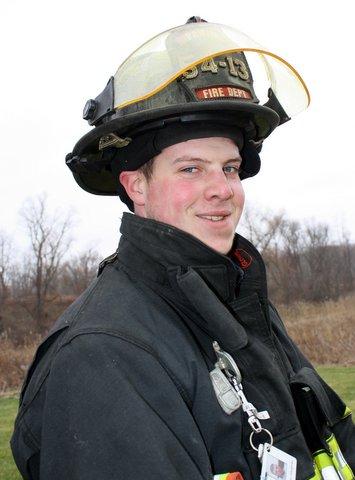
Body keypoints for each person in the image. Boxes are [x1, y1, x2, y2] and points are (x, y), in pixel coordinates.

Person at [11, 17, 355, 480]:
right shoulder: (103, 354)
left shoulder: (238, 303)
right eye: (191, 169)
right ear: (137, 186)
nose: (221, 189)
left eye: (229, 168)